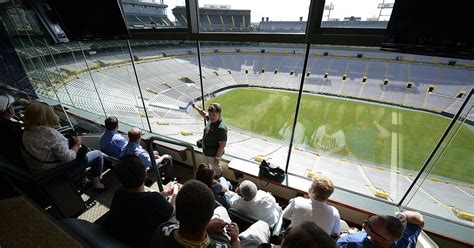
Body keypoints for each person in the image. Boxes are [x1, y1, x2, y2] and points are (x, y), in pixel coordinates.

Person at [152, 180, 270, 248]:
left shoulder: (162, 229)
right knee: (262, 226)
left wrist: (207, 225)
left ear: (177, 214)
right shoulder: (223, 246)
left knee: (222, 211)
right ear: (209, 217)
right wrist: (235, 240)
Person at [21, 101, 104, 189]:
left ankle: (83, 179)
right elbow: (69, 157)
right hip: (56, 173)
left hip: (38, 171)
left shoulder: (26, 132)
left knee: (86, 152)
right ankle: (97, 184)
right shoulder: (52, 135)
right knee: (98, 154)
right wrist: (77, 144)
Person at [108, 155, 178, 247]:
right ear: (145, 174)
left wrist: (163, 194)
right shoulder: (153, 199)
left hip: (121, 237)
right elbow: (173, 211)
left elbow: (144, 198)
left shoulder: (119, 192)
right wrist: (175, 193)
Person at [336, 211, 424, 248]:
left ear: (381, 239)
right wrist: (403, 215)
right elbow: (420, 220)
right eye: (370, 218)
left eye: (369, 226)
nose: (365, 222)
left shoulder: (350, 242)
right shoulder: (407, 240)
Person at [192, 102, 228, 177]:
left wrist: (217, 159)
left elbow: (222, 145)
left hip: (213, 155)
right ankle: (209, 181)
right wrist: (195, 107)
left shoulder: (221, 128)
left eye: (214, 115)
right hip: (206, 151)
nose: (211, 117)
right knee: (208, 169)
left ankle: (219, 182)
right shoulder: (212, 120)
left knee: (216, 170)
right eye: (210, 114)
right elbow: (204, 114)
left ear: (219, 115)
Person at [0, 94, 23, 164]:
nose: (13, 108)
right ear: (9, 109)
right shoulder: (13, 128)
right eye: (12, 106)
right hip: (13, 161)